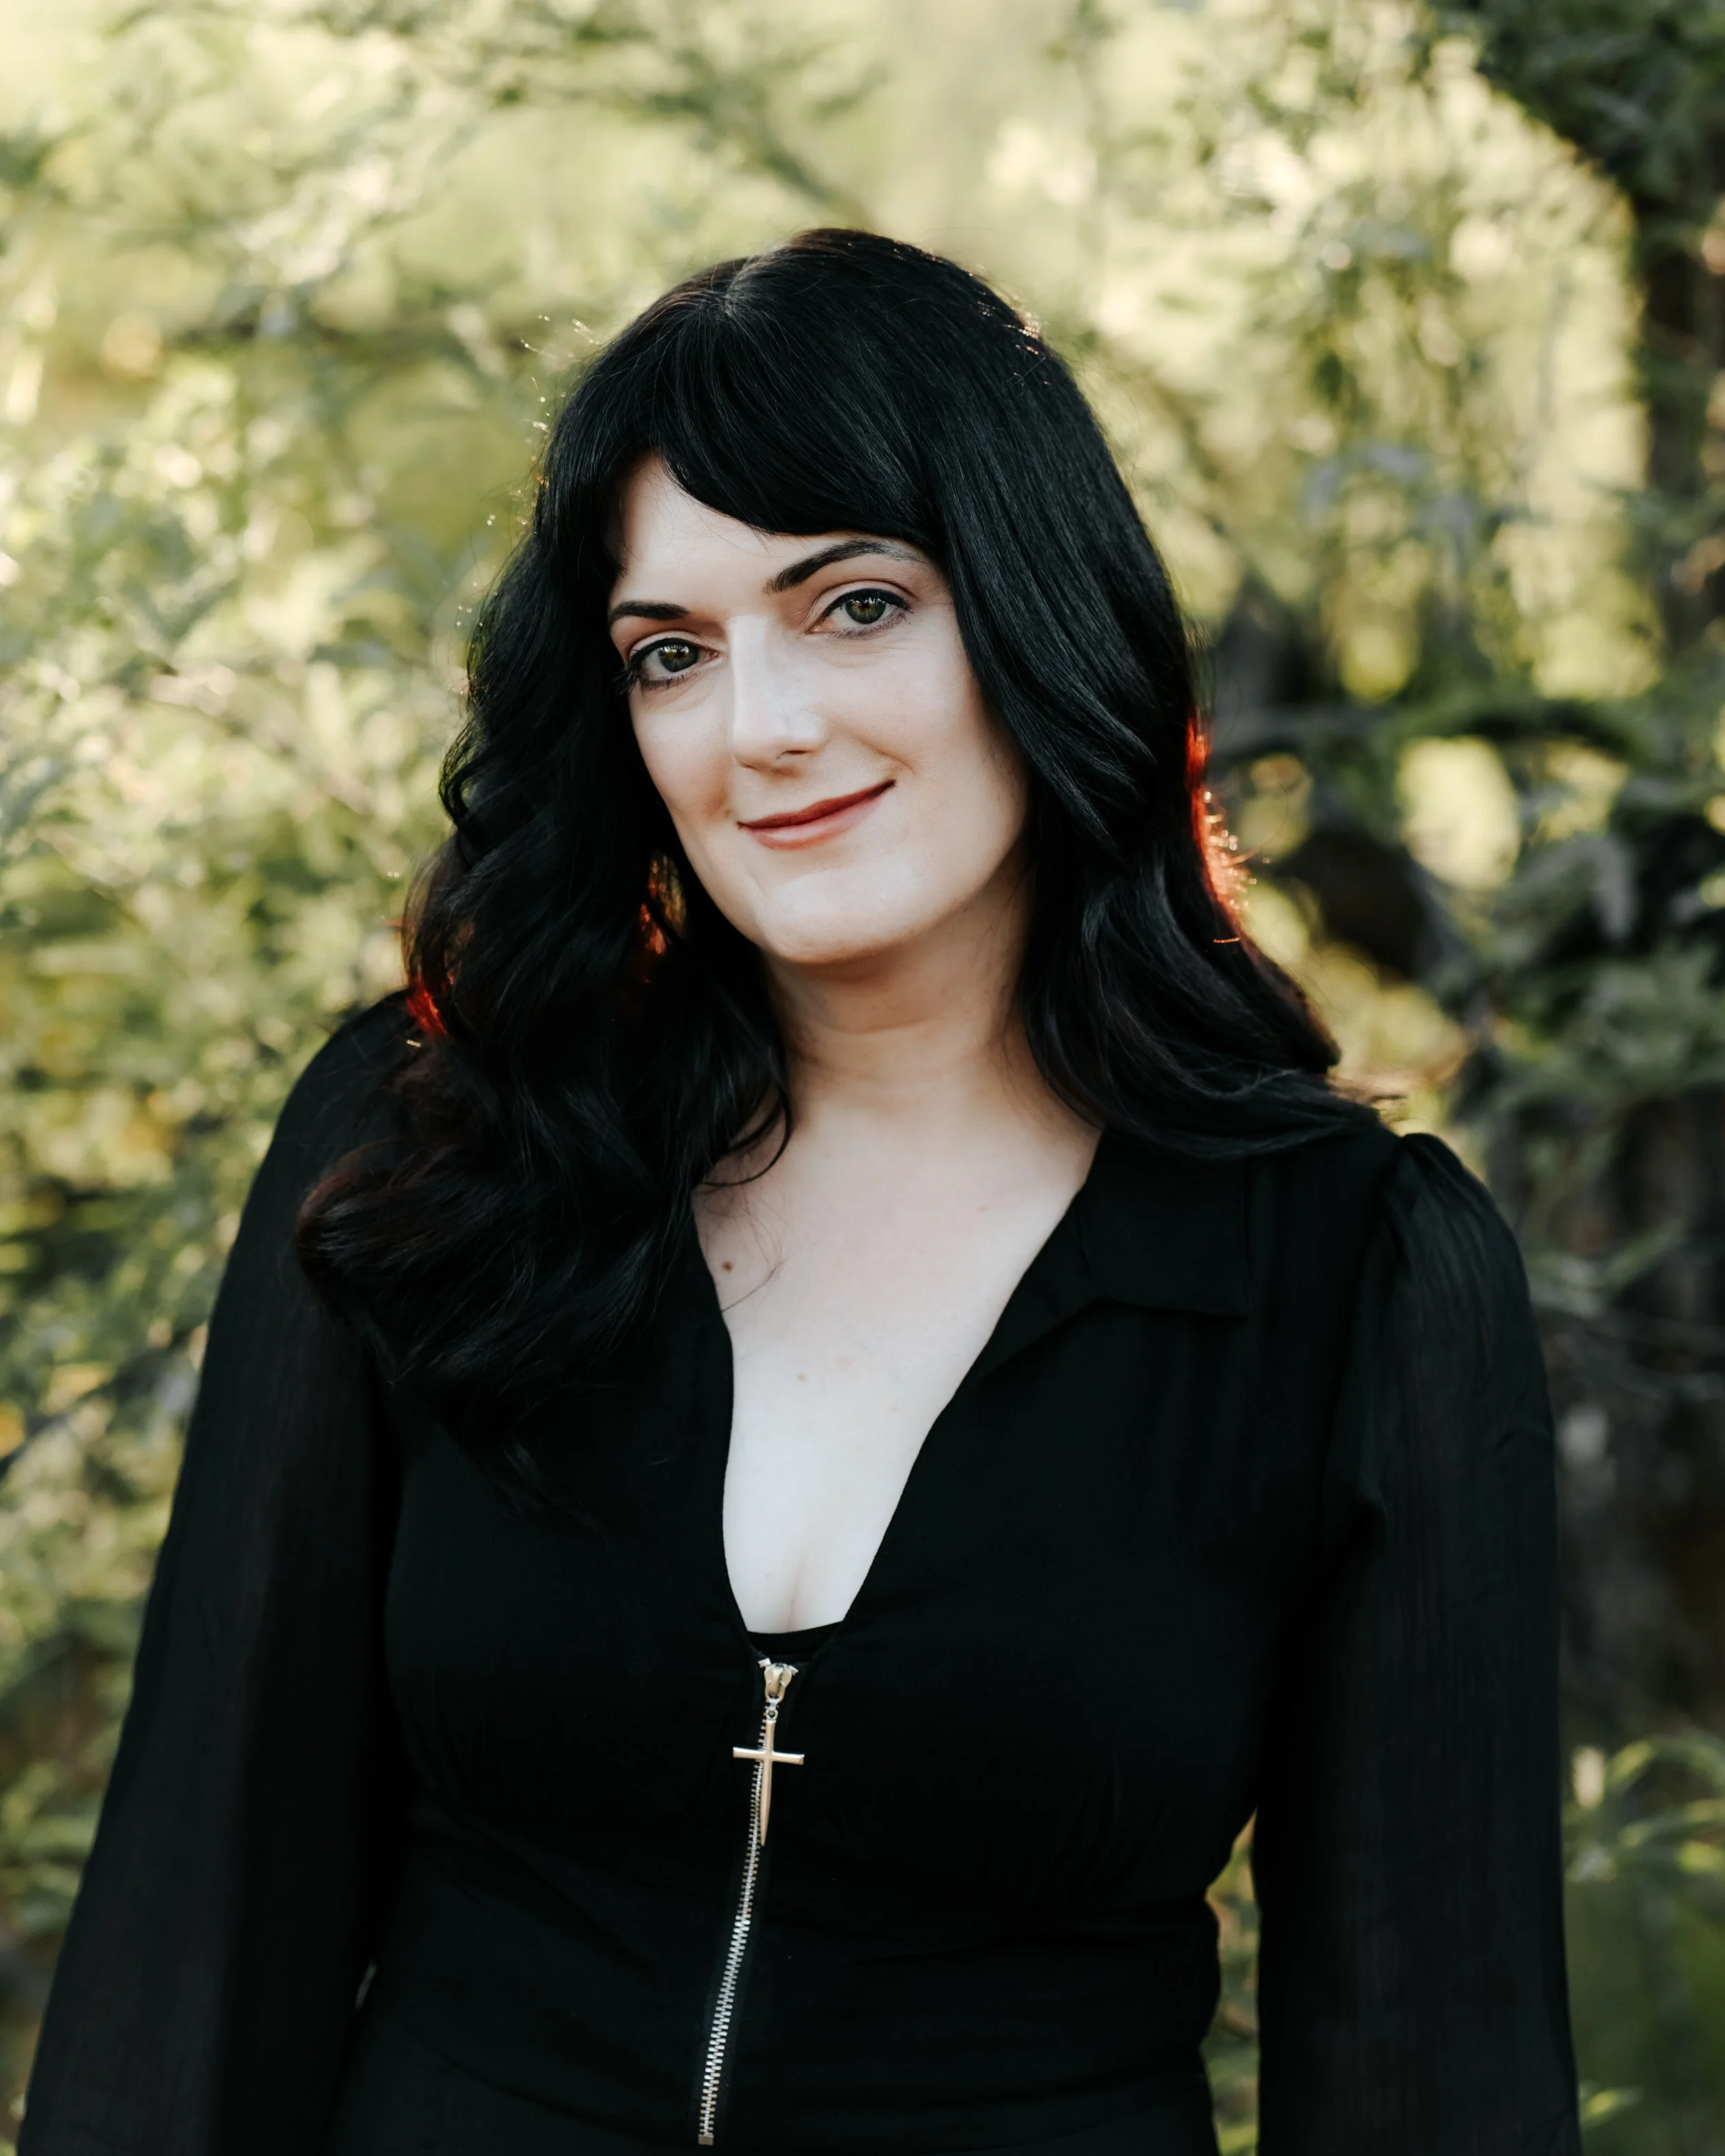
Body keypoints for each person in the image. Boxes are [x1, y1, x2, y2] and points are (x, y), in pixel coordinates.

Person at [19, 228, 1581, 2156]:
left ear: (1035, 609)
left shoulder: (1348, 1275)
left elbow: (1433, 2064)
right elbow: (196, 1940)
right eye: (671, 653)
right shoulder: (437, 1146)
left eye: (851, 606)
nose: (759, 725)